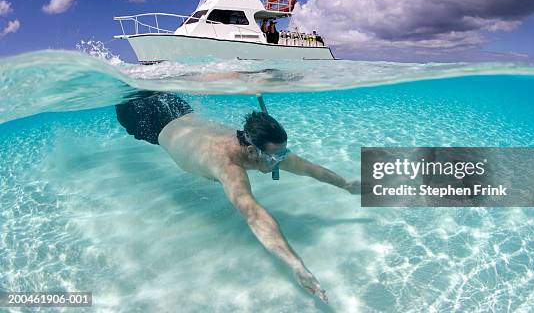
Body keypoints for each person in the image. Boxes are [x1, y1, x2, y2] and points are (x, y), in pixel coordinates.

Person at [115, 92, 360, 303]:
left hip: (178, 107)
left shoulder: (264, 148)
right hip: (146, 122)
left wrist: (346, 184)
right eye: (276, 157)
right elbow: (254, 215)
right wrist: (295, 264)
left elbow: (308, 168)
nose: (281, 161)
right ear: (252, 151)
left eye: (282, 153)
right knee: (126, 91)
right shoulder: (229, 166)